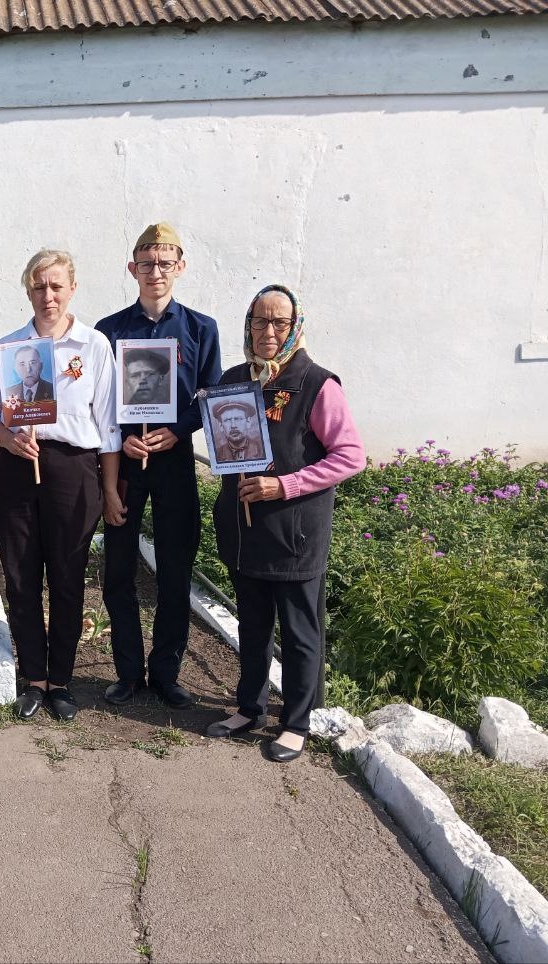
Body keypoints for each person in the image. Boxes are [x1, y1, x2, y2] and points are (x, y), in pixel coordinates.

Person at [205, 285, 364, 762]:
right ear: (248, 324)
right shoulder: (235, 379)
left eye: (279, 322)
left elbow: (350, 455)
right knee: (252, 627)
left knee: (298, 633)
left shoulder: (316, 384)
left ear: (295, 326)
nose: (268, 332)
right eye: (259, 321)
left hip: (293, 534)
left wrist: (284, 485)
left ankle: (295, 721)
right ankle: (249, 707)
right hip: (245, 530)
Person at [0, 249, 122, 722]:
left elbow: (110, 426)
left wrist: (112, 489)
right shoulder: (10, 347)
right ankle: (33, 677)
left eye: (56, 286)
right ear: (28, 291)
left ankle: (62, 679)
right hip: (18, 468)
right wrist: (10, 439)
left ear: (72, 288)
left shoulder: (93, 346)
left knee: (66, 574)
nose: (48, 295)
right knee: (20, 576)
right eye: (39, 286)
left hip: (73, 472)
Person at [96, 222, 222, 709]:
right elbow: (101, 402)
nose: (155, 272)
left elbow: (209, 396)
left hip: (174, 464)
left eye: (164, 263)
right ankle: (127, 672)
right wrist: (124, 440)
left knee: (175, 569)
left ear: (180, 267)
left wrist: (180, 429)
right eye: (146, 264)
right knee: (119, 570)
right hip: (125, 465)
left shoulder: (200, 329)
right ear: (133, 269)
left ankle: (167, 673)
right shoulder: (110, 331)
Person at [210, 399, 266, 463]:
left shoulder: (262, 450)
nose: (233, 426)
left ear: (248, 422)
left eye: (238, 419)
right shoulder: (217, 455)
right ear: (221, 425)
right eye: (227, 420)